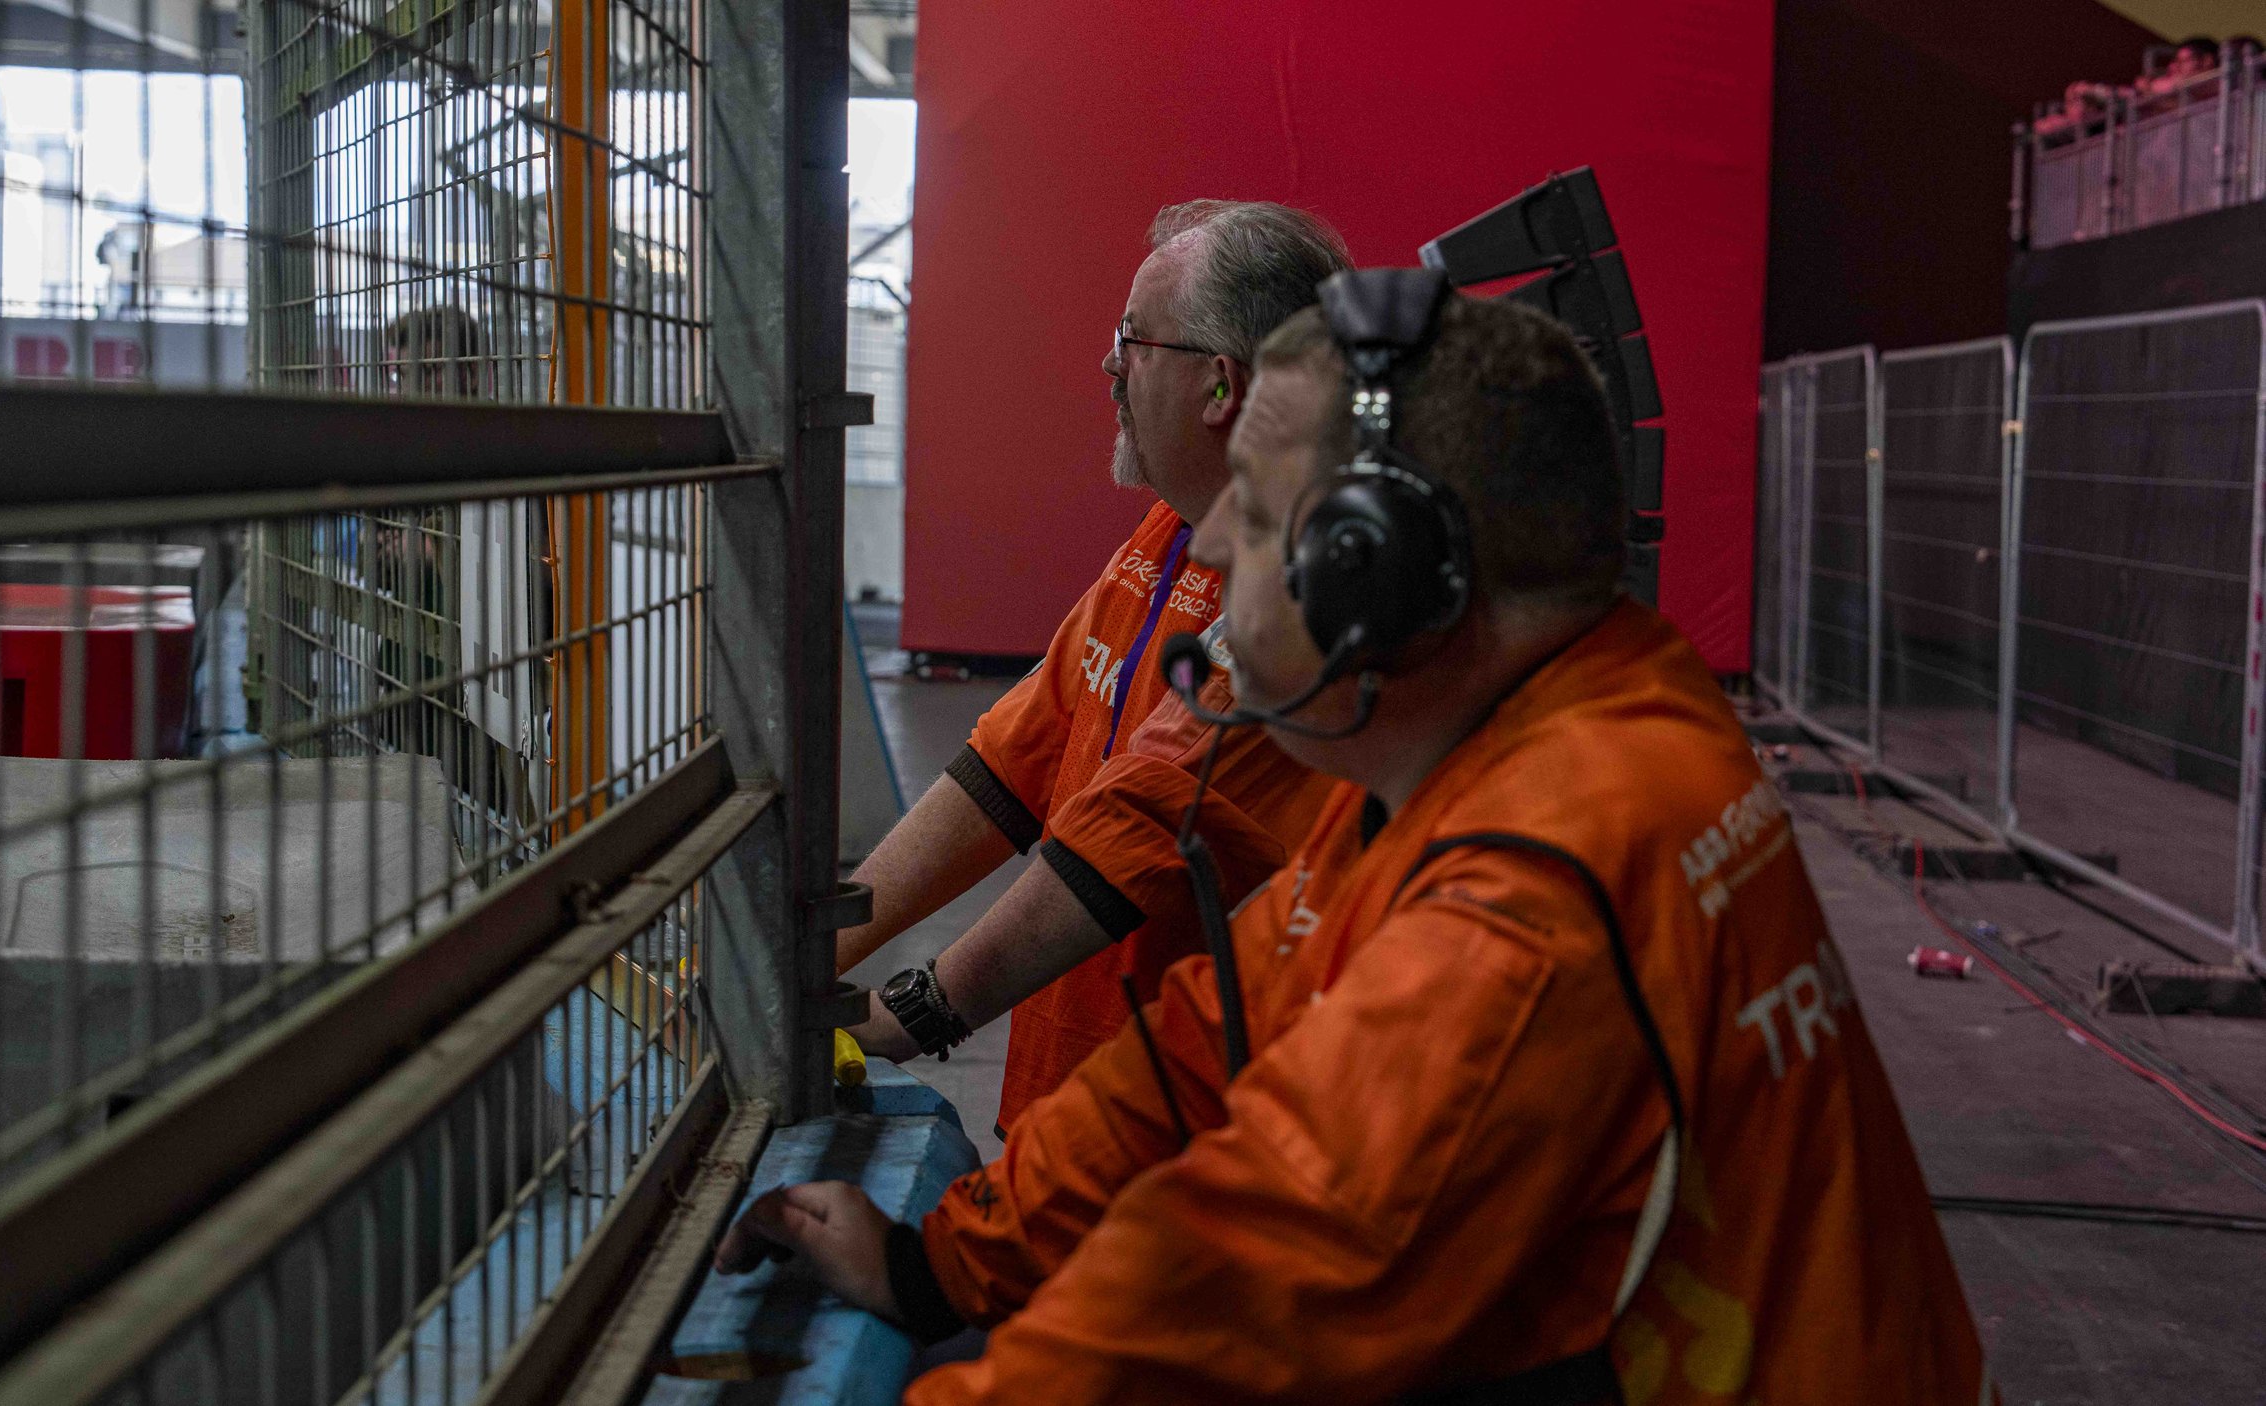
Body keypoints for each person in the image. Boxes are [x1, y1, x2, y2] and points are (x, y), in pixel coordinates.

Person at [721, 274, 1990, 1402]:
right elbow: (1209, 1041)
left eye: (1261, 510)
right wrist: (942, 1262)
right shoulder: (1529, 726)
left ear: (1379, 574)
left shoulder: (1528, 900)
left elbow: (1231, 1298)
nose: (1212, 542)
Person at [838, 202, 1348, 1134]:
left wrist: (910, 1013)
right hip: (1068, 1113)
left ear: (1220, 384)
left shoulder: (1305, 590)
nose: (1109, 364)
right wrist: (822, 945)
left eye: (1133, 339)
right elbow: (1011, 764)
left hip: (1184, 1134)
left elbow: (1137, 825)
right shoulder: (1167, 535)